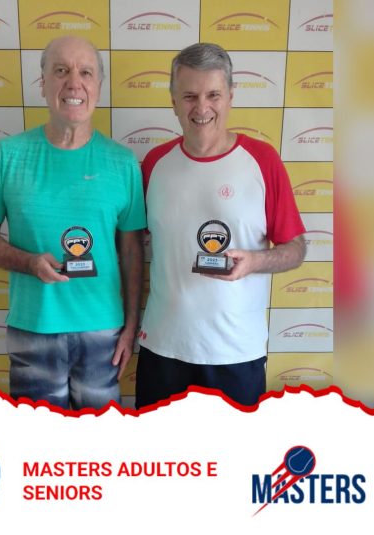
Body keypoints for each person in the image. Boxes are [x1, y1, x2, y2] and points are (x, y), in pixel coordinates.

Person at [0, 36, 146, 410]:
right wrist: (29, 263)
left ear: (99, 86)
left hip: (103, 331)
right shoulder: (7, 155)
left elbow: (131, 252)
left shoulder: (123, 162)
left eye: (86, 73)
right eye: (61, 71)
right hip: (33, 328)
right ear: (43, 83)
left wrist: (131, 327)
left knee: (98, 438)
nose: (74, 83)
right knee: (39, 438)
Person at [135, 43, 306, 409]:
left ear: (230, 96)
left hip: (236, 353)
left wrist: (255, 261)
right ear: (174, 102)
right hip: (163, 348)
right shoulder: (154, 163)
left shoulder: (263, 161)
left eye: (213, 94)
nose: (202, 108)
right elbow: (132, 246)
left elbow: (296, 249)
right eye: (190, 96)